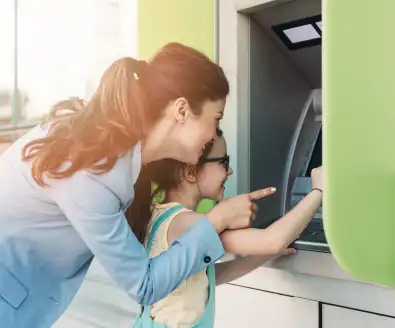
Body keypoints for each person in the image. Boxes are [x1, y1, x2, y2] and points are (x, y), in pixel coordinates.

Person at [0, 43, 273, 328]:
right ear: (181, 110)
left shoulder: (113, 154)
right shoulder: (92, 171)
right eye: (215, 119)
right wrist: (216, 221)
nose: (213, 134)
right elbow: (144, 285)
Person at [130, 128, 323, 328]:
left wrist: (265, 255)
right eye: (224, 162)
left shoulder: (161, 215)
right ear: (190, 172)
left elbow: (211, 276)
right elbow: (273, 240)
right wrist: (318, 191)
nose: (230, 171)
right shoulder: (186, 223)